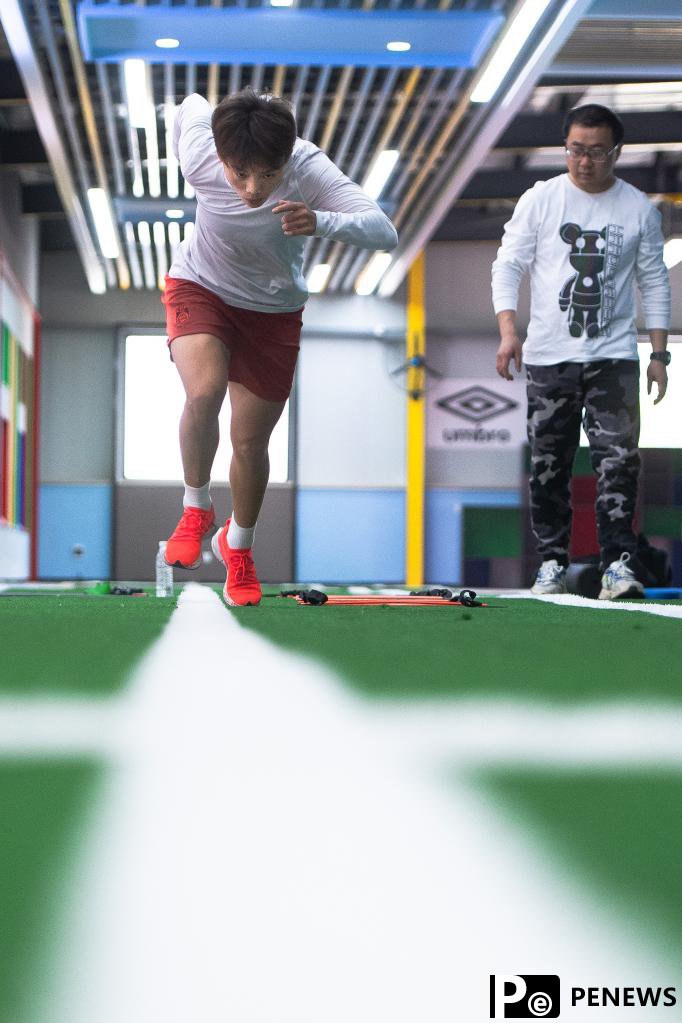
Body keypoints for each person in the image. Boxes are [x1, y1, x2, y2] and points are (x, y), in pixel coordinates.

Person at [162, 89, 398, 605]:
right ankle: (196, 507)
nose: (252, 189)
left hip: (272, 310)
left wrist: (322, 221)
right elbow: (190, 103)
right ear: (220, 158)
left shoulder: (307, 166)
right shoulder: (200, 149)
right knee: (203, 393)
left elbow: (385, 232)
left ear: (285, 161)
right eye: (239, 173)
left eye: (267, 177)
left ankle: (237, 547)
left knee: (250, 442)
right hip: (200, 285)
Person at [491, 103, 671, 600]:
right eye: (574, 149)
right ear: (565, 146)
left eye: (595, 152)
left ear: (615, 152)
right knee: (549, 460)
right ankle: (551, 561)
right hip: (550, 357)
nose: (583, 161)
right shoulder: (542, 200)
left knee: (619, 460)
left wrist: (659, 354)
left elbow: (654, 282)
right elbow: (508, 266)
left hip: (613, 357)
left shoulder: (638, 209)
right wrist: (509, 332)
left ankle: (618, 563)